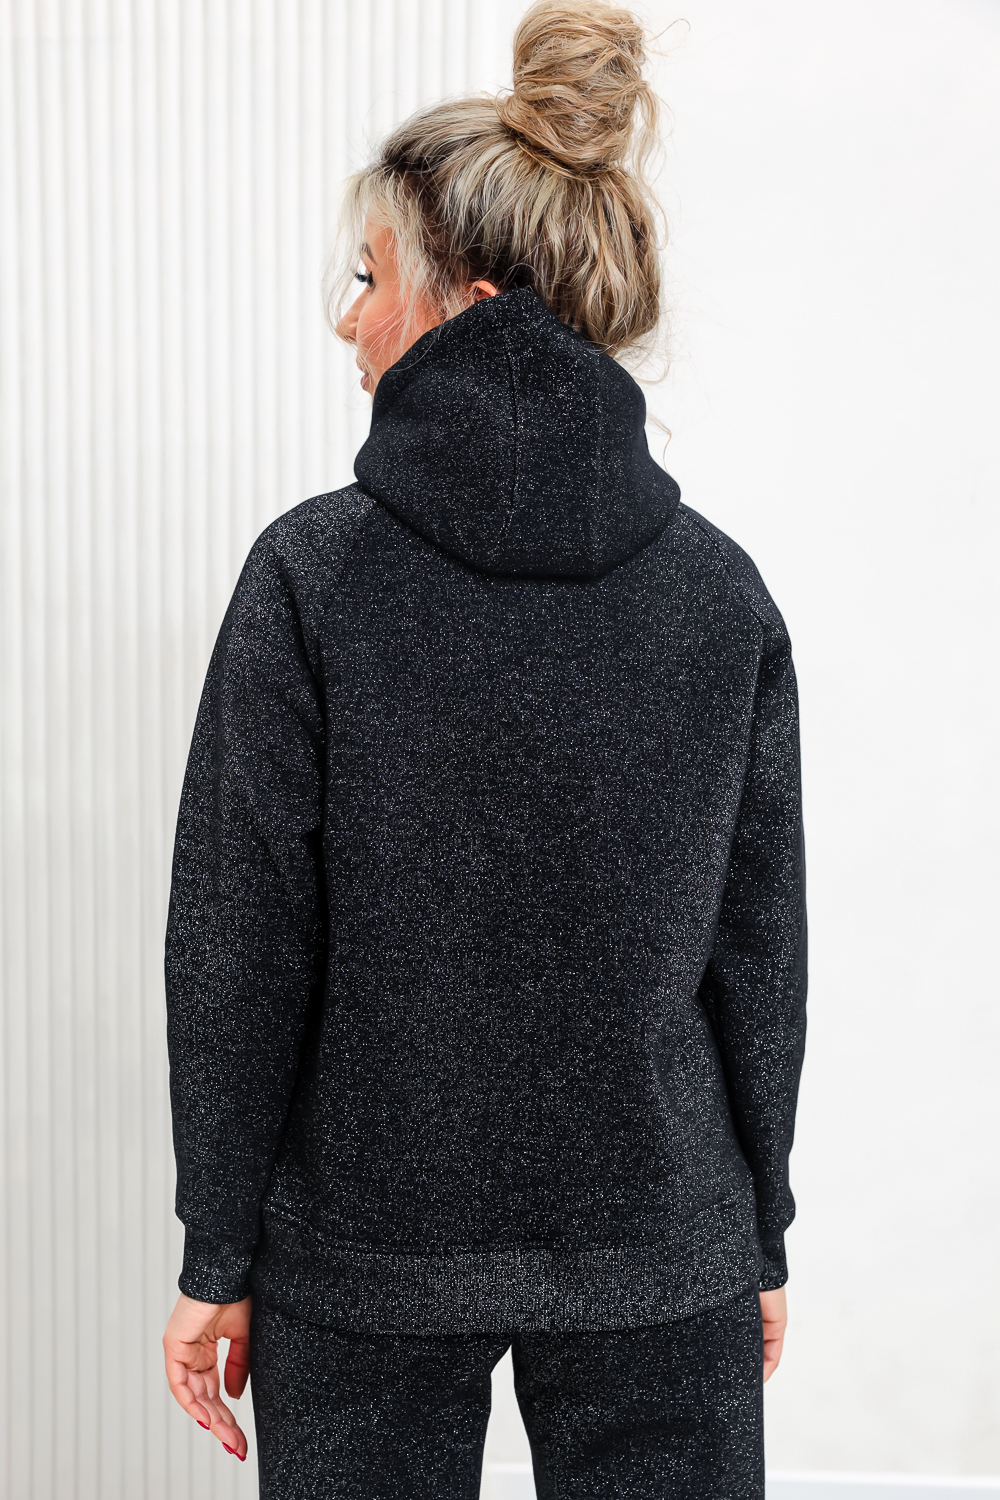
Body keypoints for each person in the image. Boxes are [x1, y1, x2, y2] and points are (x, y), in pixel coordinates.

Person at [161, 3, 807, 1496]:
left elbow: (241, 940)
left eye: (368, 275)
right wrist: (755, 1232)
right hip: (664, 1241)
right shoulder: (721, 594)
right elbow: (758, 951)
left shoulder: (314, 575)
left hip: (363, 1248)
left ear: (470, 300)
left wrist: (218, 1252)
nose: (347, 318)